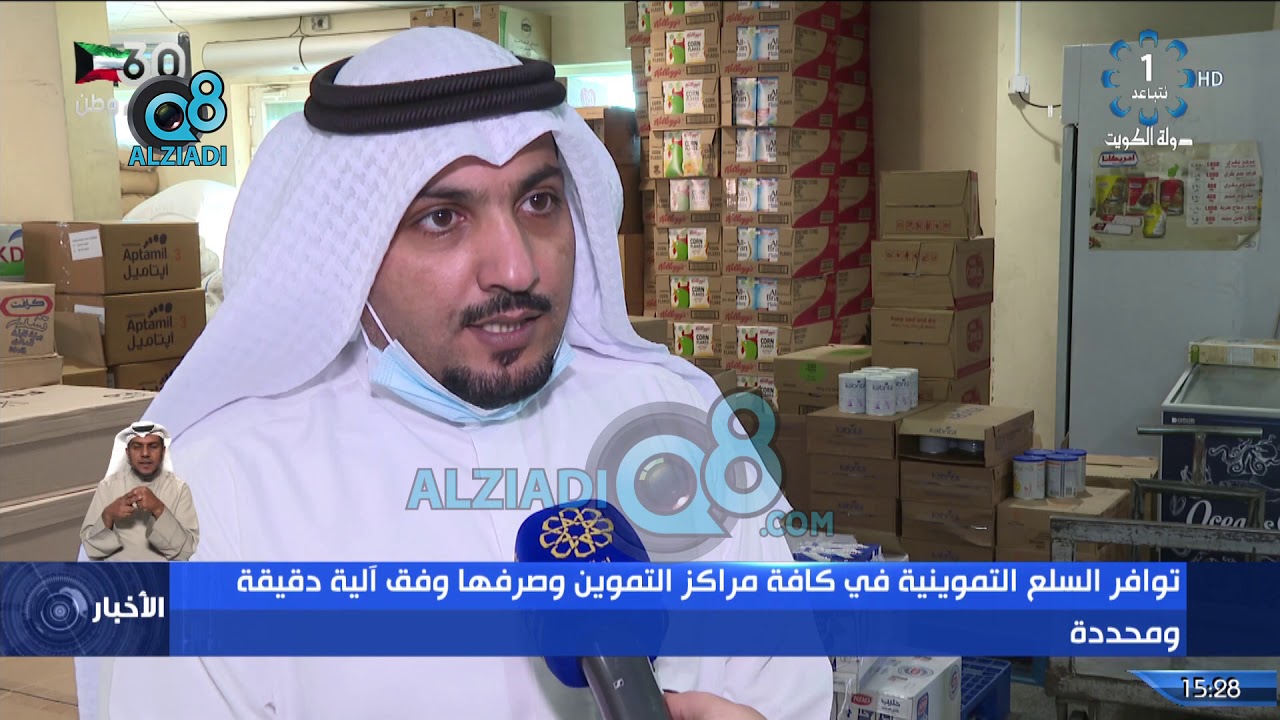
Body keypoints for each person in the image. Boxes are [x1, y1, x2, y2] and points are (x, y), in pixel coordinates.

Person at [75, 27, 832, 720]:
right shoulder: (208, 500)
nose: (516, 268)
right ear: (349, 248)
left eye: (539, 201)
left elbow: (784, 684)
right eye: (442, 217)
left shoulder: (675, 420)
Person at [79, 421, 199, 563]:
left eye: (153, 446)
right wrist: (108, 515)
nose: (145, 454)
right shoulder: (108, 487)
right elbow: (90, 548)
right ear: (127, 452)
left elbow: (186, 551)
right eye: (137, 447)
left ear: (163, 451)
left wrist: (158, 508)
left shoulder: (179, 490)